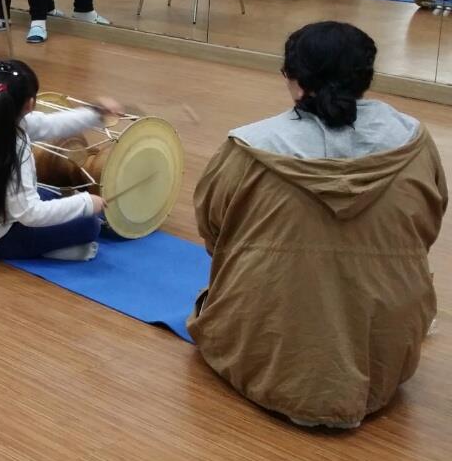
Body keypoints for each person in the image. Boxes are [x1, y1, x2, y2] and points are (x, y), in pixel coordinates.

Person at [190, 22, 445, 428]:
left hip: (269, 358)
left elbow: (213, 231)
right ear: (367, 79)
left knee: (219, 294)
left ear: (292, 79)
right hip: (383, 360)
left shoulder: (247, 147)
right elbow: (428, 225)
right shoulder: (414, 142)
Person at [0, 58, 118, 261]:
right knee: (90, 225)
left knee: (55, 195)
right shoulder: (13, 150)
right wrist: (86, 202)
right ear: (30, 103)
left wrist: (95, 114)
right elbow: (30, 213)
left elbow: (51, 124)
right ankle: (58, 251)